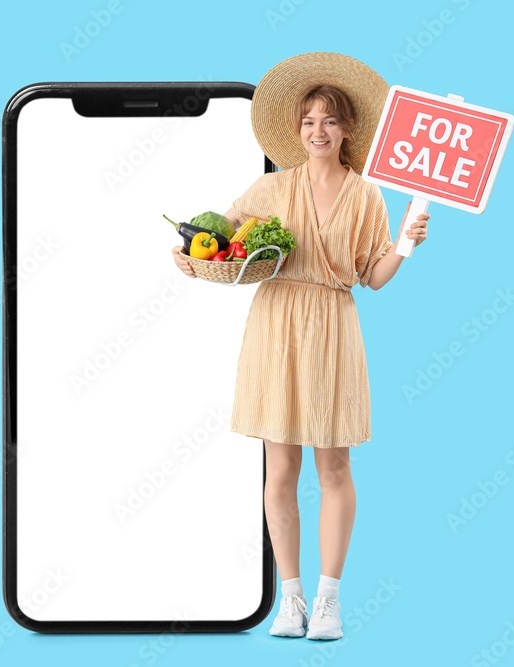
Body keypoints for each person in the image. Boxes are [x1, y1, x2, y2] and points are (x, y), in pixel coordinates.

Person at [172, 53, 429, 641]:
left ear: (347, 130)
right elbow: (225, 244)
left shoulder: (367, 197)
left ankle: (330, 600)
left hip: (335, 325)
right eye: (309, 120)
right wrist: (191, 259)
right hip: (276, 322)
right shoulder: (268, 188)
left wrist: (409, 244)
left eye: (330, 120)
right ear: (296, 129)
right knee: (280, 466)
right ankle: (290, 600)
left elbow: (374, 276)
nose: (318, 130)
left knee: (334, 465)